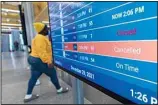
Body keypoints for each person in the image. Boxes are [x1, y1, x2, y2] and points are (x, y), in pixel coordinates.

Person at [24, 22, 69, 103]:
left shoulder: (39, 37)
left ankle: (28, 96)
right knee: (52, 73)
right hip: (39, 60)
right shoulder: (40, 38)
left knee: (34, 77)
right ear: (42, 30)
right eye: (46, 28)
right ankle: (59, 89)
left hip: (34, 59)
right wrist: (48, 61)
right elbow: (42, 52)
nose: (48, 29)